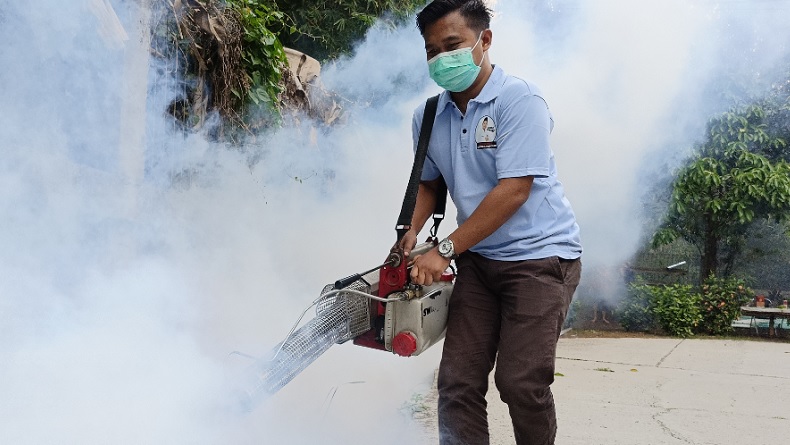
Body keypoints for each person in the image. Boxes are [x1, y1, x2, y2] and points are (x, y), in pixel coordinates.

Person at [396, 1, 583, 444]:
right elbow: (429, 184)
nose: (442, 58)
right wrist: (410, 233)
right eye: (431, 50)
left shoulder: (520, 100)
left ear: (485, 40)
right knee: (457, 384)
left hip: (541, 259)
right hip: (480, 260)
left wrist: (443, 251)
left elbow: (514, 190)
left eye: (453, 44)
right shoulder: (427, 117)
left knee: (521, 382)